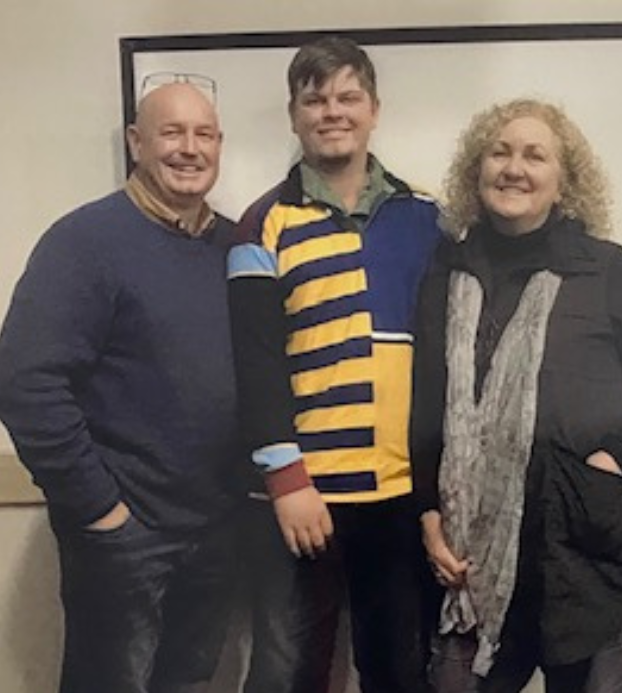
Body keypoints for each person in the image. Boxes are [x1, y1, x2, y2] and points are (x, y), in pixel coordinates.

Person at [410, 96, 622, 693]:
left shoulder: (605, 269)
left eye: (535, 155)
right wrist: (429, 514)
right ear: (475, 170)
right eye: (500, 152)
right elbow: (427, 409)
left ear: (564, 183)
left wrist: (614, 458)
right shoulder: (444, 276)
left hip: (591, 551)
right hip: (471, 560)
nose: (514, 167)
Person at [0, 79, 246, 693]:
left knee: (187, 682)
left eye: (204, 134)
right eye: (171, 132)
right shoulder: (84, 243)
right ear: (137, 142)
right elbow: (25, 383)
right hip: (126, 537)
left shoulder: (234, 245)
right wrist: (101, 512)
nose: (189, 149)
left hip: (215, 528)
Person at [227, 36, 441, 693]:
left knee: (398, 669)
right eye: (314, 99)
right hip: (303, 496)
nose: (332, 111)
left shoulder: (426, 217)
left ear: (374, 108)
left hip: (400, 497)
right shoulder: (262, 224)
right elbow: (254, 360)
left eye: (348, 96)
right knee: (291, 671)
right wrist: (286, 479)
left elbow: (440, 360)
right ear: (294, 116)